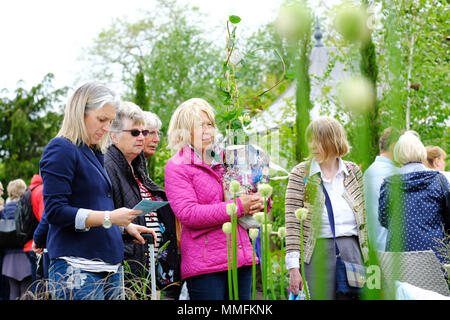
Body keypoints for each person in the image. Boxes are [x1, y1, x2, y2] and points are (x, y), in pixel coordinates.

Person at [39, 81, 156, 300]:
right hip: (77, 268)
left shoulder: (94, 153)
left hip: (109, 267)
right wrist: (110, 217)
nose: (106, 127)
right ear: (79, 112)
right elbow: (55, 211)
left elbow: (94, 207)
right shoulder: (61, 148)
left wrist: (124, 226)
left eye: (110, 121)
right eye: (102, 119)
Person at [164, 98, 264, 300]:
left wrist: (259, 201)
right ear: (183, 131)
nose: (207, 130)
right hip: (206, 264)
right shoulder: (177, 166)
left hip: (241, 256)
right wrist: (238, 207)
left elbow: (246, 194)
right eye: (199, 126)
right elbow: (189, 214)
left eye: (209, 124)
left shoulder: (228, 159)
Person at [285, 116, 369, 300]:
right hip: (317, 255)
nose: (312, 145)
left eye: (318, 140)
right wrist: (293, 268)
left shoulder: (353, 172)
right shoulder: (301, 174)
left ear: (333, 141)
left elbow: (366, 219)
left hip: (352, 253)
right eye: (310, 140)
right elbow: (292, 225)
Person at [104, 101, 180, 299]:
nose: (142, 138)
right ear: (114, 135)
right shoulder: (109, 166)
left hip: (146, 263)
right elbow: (107, 216)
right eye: (135, 133)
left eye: (143, 132)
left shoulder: (137, 166)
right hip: (128, 264)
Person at [379, 131, 449, 262]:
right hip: (435, 257)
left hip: (398, 259)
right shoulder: (438, 180)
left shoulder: (388, 184)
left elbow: (384, 220)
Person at [363, 127, 400, 251]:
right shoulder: (397, 174)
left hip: (371, 249)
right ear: (394, 146)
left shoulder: (367, 173)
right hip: (392, 249)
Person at [1, 179, 30, 300]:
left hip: (8, 257)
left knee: (13, 291)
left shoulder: (4, 209)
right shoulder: (25, 207)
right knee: (26, 291)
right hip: (25, 254)